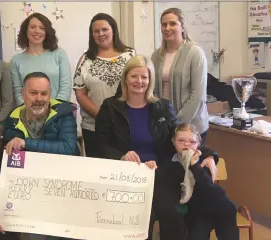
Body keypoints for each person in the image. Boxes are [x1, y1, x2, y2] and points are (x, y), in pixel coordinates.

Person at [95, 56, 218, 240]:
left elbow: (181, 135)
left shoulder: (162, 106)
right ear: (126, 78)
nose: (139, 81)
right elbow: (100, 144)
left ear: (150, 80)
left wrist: (209, 155)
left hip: (159, 174)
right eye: (134, 76)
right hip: (124, 178)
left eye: (144, 77)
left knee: (172, 215)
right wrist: (121, 156)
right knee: (133, 221)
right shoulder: (110, 107)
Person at [2, 71, 78, 240]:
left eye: (44, 93)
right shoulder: (12, 120)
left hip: (64, 190)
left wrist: (25, 143)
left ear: (50, 94)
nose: (39, 98)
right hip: (32, 196)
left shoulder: (64, 115)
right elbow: (10, 169)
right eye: (33, 93)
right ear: (22, 94)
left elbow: (68, 148)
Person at [73, 13, 135, 158]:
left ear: (113, 30)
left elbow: (139, 87)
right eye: (96, 31)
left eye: (105, 29)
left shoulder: (130, 56)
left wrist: (117, 119)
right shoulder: (85, 59)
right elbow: (80, 93)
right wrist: (103, 117)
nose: (101, 34)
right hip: (94, 127)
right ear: (92, 35)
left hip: (126, 127)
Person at [151, 7, 209, 146]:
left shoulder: (195, 53)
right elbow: (152, 90)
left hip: (191, 126)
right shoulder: (156, 55)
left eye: (172, 23)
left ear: (182, 27)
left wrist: (177, 124)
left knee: (191, 165)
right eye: (164, 24)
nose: (167, 28)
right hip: (165, 125)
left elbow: (198, 95)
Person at [171, 123, 239, 240]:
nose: (186, 144)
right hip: (198, 211)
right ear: (173, 141)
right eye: (181, 140)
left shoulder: (204, 160)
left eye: (192, 142)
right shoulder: (172, 163)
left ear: (198, 144)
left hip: (220, 206)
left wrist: (194, 165)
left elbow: (207, 189)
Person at [11, 13, 72, 106]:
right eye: (33, 27)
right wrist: (31, 112)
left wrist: (54, 110)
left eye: (42, 28)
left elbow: (66, 86)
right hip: (29, 114)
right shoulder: (16, 60)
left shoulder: (59, 54)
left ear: (46, 32)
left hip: (57, 112)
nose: (37, 31)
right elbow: (18, 92)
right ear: (25, 31)